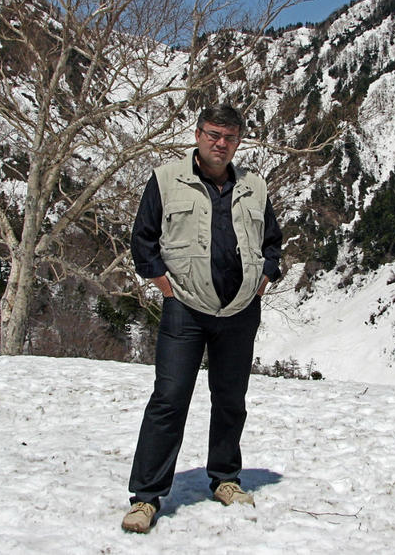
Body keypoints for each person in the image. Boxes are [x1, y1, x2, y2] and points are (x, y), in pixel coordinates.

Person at [122, 104, 282, 534]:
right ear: (197, 135)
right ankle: (146, 498)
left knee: (230, 400)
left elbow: (273, 243)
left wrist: (263, 279)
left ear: (239, 141)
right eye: (213, 134)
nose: (220, 143)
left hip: (239, 312)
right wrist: (163, 285)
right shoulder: (166, 179)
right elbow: (143, 239)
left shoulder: (254, 186)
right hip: (186, 309)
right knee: (169, 399)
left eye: (229, 137)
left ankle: (225, 479)